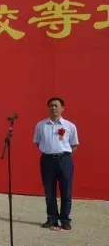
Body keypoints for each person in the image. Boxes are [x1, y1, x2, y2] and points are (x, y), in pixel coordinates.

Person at [34, 97, 78, 230]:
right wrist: (50, 151)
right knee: (49, 191)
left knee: (66, 190)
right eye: (51, 106)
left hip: (64, 160)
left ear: (62, 108)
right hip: (47, 160)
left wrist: (63, 154)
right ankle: (52, 218)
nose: (53, 108)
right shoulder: (41, 125)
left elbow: (74, 144)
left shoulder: (69, 126)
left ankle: (65, 219)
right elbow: (38, 142)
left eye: (56, 106)